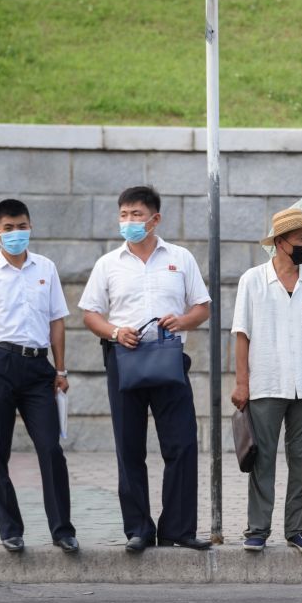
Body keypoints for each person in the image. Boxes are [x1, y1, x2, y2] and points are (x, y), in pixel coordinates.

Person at [80, 186, 212, 553]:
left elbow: (203, 307)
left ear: (156, 219)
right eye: (124, 215)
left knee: (182, 445)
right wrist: (115, 332)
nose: (129, 222)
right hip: (125, 360)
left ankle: (180, 529)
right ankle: (138, 528)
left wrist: (182, 321)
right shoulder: (109, 264)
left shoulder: (180, 258)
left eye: (136, 215)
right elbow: (90, 313)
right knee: (129, 447)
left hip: (169, 358)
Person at [0, 199, 77, 554]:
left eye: (22, 226)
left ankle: (62, 530)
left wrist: (60, 369)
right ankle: (10, 529)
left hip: (37, 368)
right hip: (0, 366)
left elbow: (57, 321)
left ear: (32, 227)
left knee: (51, 449)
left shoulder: (46, 268)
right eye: (9, 228)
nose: (17, 233)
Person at [230, 209, 302, 554]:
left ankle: (300, 529)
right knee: (261, 458)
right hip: (265, 382)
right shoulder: (252, 280)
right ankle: (258, 529)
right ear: (280, 243)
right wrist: (241, 382)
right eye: (300, 239)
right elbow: (242, 335)